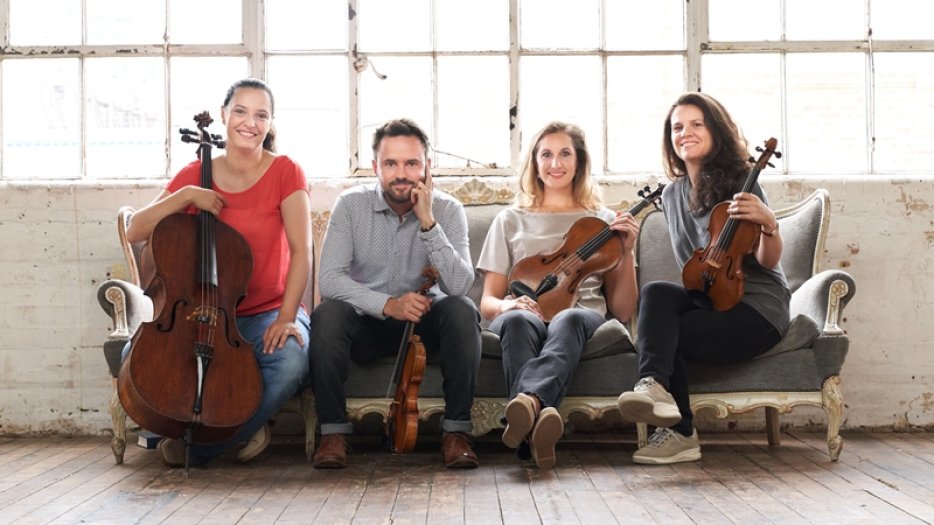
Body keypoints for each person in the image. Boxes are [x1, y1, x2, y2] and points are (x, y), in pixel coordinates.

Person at [123, 78, 311, 467]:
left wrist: (287, 317)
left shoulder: (286, 172)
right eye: (240, 111)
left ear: (270, 123)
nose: (249, 122)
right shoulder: (196, 173)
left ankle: (203, 446)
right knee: (134, 353)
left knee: (291, 360)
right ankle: (228, 431)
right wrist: (186, 196)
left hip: (265, 312)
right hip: (197, 310)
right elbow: (134, 230)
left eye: (261, 115)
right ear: (224, 115)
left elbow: (301, 251)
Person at [616, 92, 791, 464]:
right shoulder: (673, 194)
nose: (686, 133)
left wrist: (768, 222)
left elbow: (768, 259)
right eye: (678, 127)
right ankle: (653, 388)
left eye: (697, 124)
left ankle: (679, 433)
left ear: (715, 131)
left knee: (667, 333)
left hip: (756, 310)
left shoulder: (743, 181)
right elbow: (695, 271)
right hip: (714, 300)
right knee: (657, 293)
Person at [309, 118, 482, 469]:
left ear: (426, 167)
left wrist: (428, 222)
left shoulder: (448, 210)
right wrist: (388, 304)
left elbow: (459, 286)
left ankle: (456, 433)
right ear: (376, 167)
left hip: (423, 325)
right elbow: (329, 279)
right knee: (327, 315)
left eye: (411, 163)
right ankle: (332, 434)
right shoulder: (350, 205)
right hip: (366, 325)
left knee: (462, 310)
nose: (401, 173)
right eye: (391, 164)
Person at [475, 122, 640, 468]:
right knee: (518, 320)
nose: (555, 163)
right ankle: (537, 420)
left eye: (565, 153)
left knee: (569, 316)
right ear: (534, 163)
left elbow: (623, 310)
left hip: (581, 316)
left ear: (579, 161)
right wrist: (509, 303)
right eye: (546, 154)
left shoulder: (604, 221)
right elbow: (488, 301)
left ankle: (528, 405)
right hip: (524, 311)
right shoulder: (509, 219)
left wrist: (626, 251)